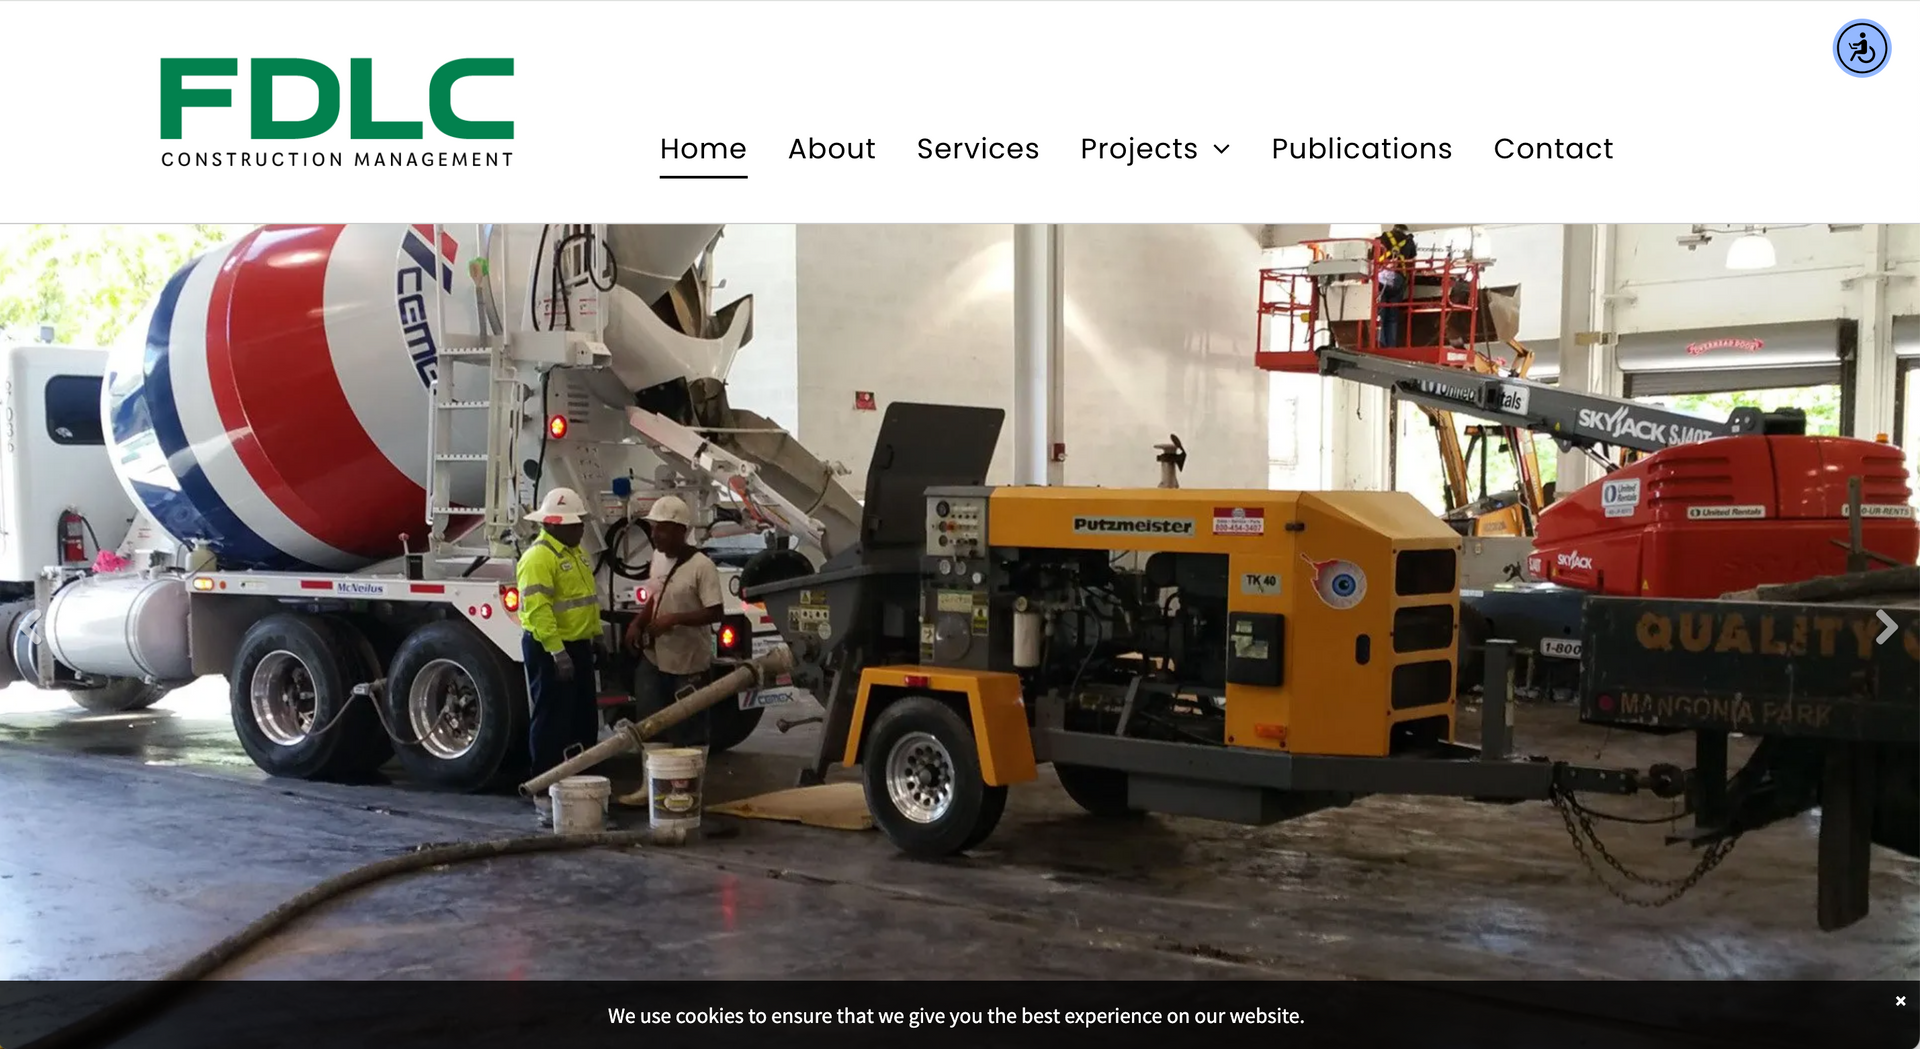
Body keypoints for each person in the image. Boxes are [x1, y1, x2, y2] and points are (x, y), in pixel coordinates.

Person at [618, 495, 726, 804]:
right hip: (655, 657)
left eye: (662, 530)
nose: (654, 536)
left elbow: (715, 612)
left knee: (691, 728)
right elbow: (654, 596)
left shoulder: (702, 566)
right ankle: (650, 789)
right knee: (651, 722)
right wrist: (638, 623)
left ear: (681, 530)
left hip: (689, 662)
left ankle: (691, 790)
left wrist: (674, 620)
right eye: (653, 529)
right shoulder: (659, 558)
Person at [515, 487, 604, 826]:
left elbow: (584, 600)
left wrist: (595, 637)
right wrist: (557, 652)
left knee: (582, 720)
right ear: (553, 524)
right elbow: (538, 612)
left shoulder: (574, 551)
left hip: (576, 646)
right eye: (575, 523)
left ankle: (579, 789)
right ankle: (543, 793)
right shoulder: (538, 558)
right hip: (550, 649)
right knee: (552, 720)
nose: (581, 528)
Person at [1375, 224, 1417, 349]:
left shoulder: (1382, 238)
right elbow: (1413, 264)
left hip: (1381, 277)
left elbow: (1372, 257)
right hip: (1398, 279)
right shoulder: (1409, 242)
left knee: (1380, 312)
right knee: (1392, 316)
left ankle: (1380, 342)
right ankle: (1391, 346)